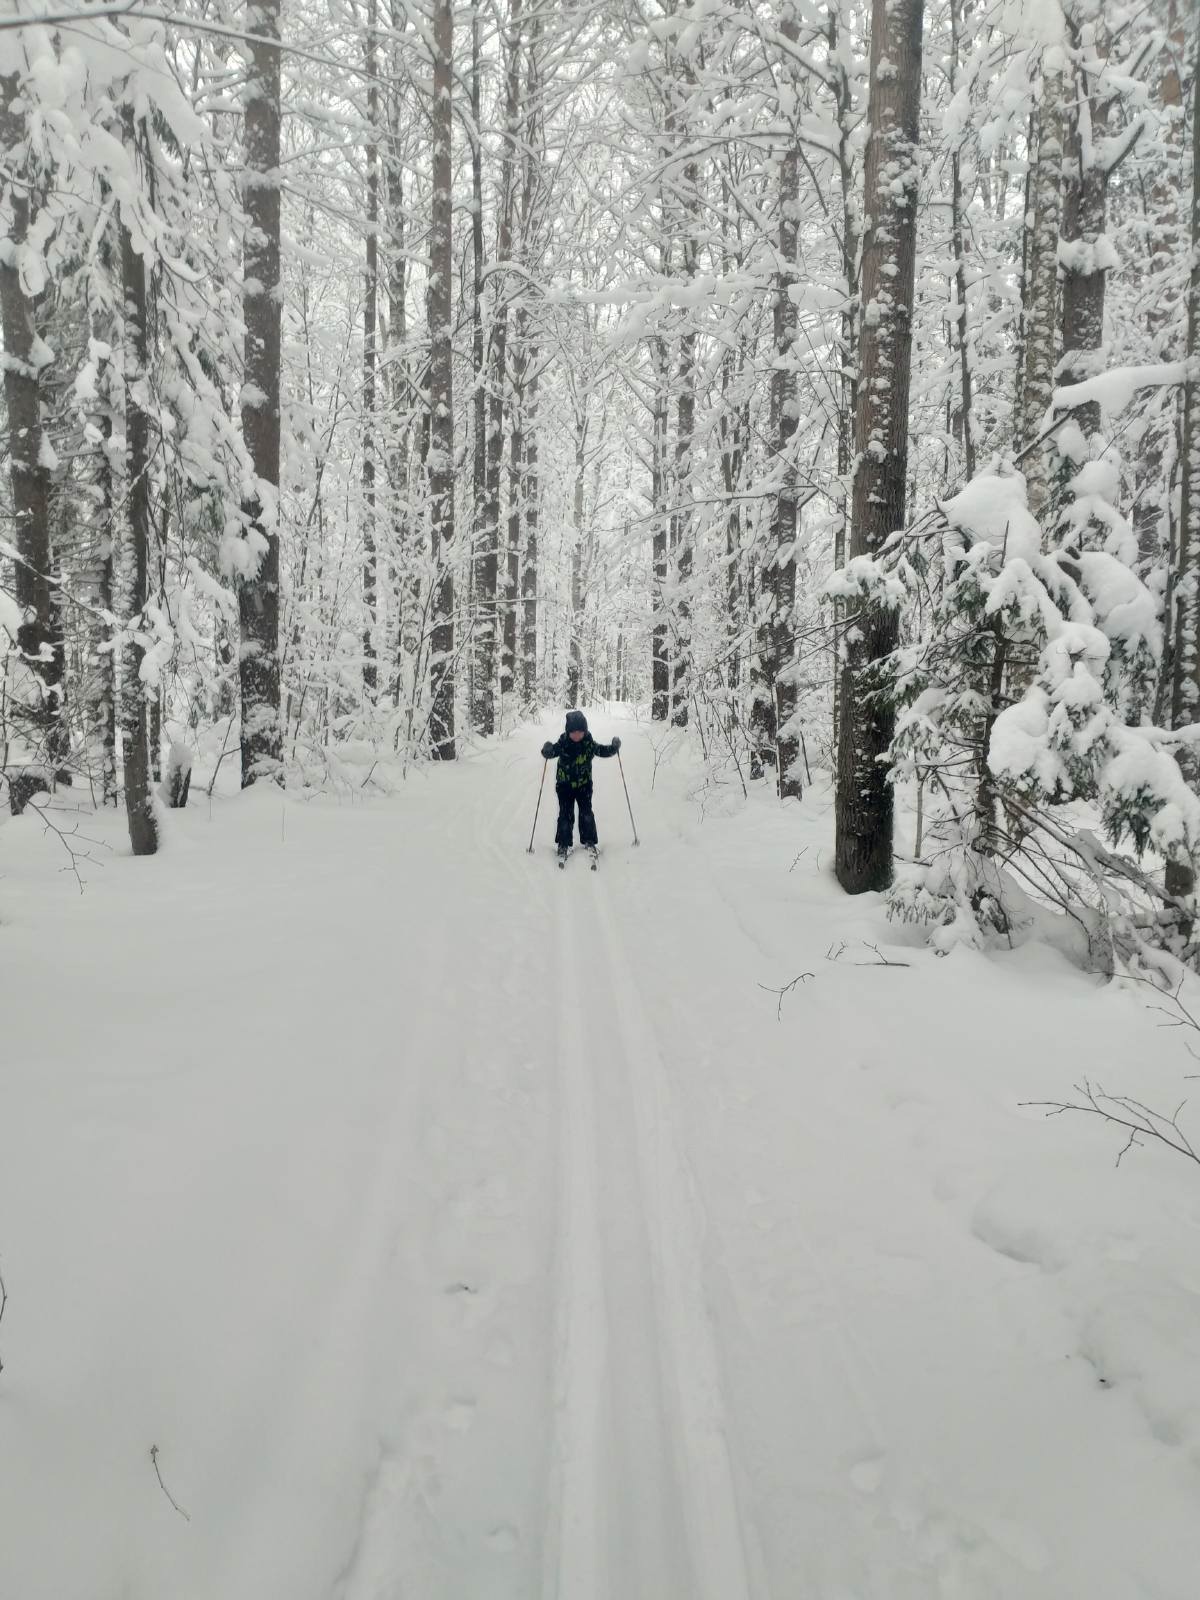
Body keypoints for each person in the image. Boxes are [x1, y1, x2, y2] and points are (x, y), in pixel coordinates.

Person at [540, 711, 621, 859]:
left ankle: (589, 841)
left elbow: (601, 750)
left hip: (584, 786)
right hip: (565, 786)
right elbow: (552, 752)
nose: (577, 735)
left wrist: (613, 748)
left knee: (586, 813)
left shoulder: (588, 743)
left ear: (585, 731)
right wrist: (547, 750)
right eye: (573, 732)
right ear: (568, 731)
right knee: (565, 814)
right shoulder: (563, 743)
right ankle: (563, 844)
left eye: (580, 732)